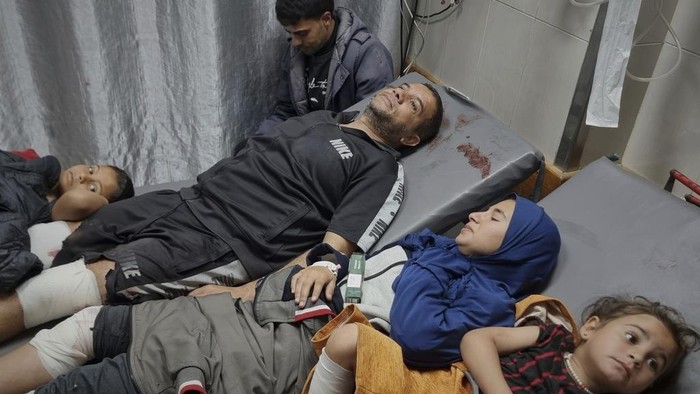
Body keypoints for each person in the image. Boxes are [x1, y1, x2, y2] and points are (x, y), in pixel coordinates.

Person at [0, 82, 443, 344]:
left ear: (409, 139)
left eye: (413, 105)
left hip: (224, 238)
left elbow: (333, 255)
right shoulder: (326, 118)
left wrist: (244, 292)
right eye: (403, 88)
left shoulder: (380, 167)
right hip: (188, 198)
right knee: (81, 237)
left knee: (90, 278)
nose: (401, 93)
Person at [0, 194, 560, 393]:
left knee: (107, 378)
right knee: (87, 325)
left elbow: (414, 332)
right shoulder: (436, 248)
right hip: (281, 301)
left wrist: (417, 268)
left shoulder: (486, 302)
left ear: (517, 246)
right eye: (488, 205)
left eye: (496, 217)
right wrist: (331, 267)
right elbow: (367, 264)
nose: (477, 213)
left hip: (295, 345)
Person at [306, 295, 700, 394]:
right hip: (457, 389)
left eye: (653, 363)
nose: (637, 356)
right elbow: (477, 339)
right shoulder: (553, 336)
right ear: (591, 327)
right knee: (350, 338)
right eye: (633, 337)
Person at [0, 148, 135, 292]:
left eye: (92, 188)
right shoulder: (37, 166)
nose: (82, 176)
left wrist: (105, 207)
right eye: (91, 169)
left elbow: (8, 267)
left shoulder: (33, 214)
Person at [257, 0, 394, 134]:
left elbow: (371, 128)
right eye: (290, 33)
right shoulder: (296, 54)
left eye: (302, 33)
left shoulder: (368, 55)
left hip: (347, 146)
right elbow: (285, 113)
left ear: (326, 19)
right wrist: (256, 144)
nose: (295, 42)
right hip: (306, 144)